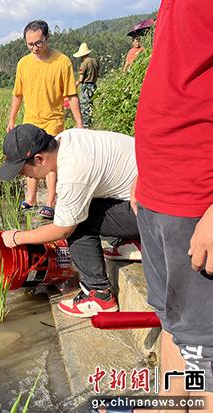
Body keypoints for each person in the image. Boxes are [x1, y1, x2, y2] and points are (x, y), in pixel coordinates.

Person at [134, 0, 213, 400]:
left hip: (196, 196)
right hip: (157, 191)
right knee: (172, 326)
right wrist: (144, 177)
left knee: (205, 354)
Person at [0, 124, 140, 318]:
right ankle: (134, 241)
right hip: (146, 196)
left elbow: (63, 229)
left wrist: (18, 237)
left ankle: (99, 295)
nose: (24, 176)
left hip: (154, 212)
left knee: (77, 221)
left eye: (23, 170)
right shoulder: (67, 139)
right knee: (77, 208)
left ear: (39, 159)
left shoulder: (73, 170)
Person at [7, 20, 83, 220]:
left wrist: (80, 125)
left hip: (53, 120)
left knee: (50, 161)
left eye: (38, 43)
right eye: (30, 44)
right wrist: (12, 119)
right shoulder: (23, 63)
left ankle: (50, 202)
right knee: (29, 159)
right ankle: (31, 199)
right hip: (31, 119)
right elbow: (17, 94)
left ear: (47, 38)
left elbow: (71, 96)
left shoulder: (62, 61)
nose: (35, 48)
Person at [73, 43, 99, 129]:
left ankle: (86, 126)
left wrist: (75, 84)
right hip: (94, 86)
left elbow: (81, 79)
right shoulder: (94, 61)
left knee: (84, 107)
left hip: (86, 87)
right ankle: (90, 124)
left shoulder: (84, 64)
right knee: (90, 105)